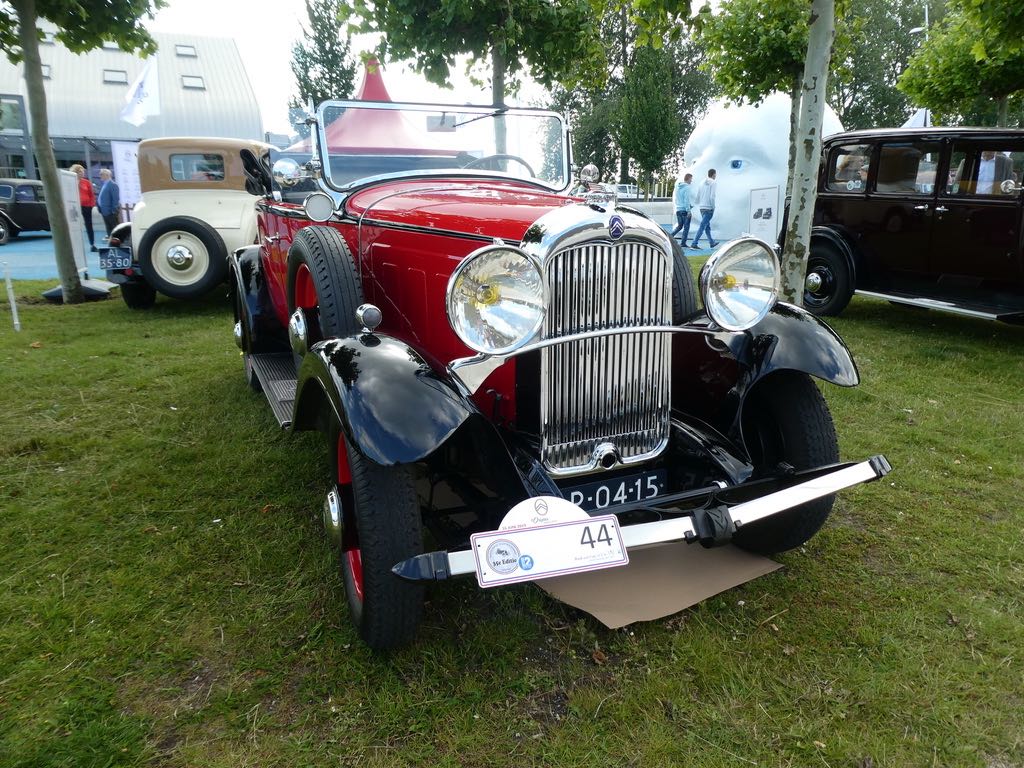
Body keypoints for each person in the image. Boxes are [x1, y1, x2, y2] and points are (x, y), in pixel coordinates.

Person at [69, 164, 97, 251]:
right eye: (81, 172)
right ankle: (74, 245)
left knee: (89, 225)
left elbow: (91, 195)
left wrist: (92, 205)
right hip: (74, 206)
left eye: (83, 171)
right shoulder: (70, 181)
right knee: (74, 225)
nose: (83, 173)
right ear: (76, 172)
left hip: (86, 206)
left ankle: (92, 244)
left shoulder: (86, 182)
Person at [691, 168, 718, 249]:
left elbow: (698, 196)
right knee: (703, 226)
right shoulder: (713, 182)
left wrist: (694, 205)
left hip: (702, 208)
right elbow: (712, 196)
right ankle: (694, 243)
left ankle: (711, 242)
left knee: (706, 226)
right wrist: (713, 207)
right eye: (715, 174)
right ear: (714, 174)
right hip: (709, 208)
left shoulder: (701, 182)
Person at [670, 172, 693, 246]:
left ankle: (670, 237)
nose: (691, 181)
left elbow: (678, 199)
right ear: (688, 179)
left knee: (680, 226)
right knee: (686, 227)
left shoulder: (678, 187)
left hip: (678, 209)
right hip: (684, 210)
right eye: (691, 179)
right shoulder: (687, 188)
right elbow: (686, 200)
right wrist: (688, 210)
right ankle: (683, 243)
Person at [97, 168, 120, 237]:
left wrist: (113, 211)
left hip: (110, 212)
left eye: (101, 174)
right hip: (104, 211)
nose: (100, 176)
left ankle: (117, 244)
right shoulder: (104, 185)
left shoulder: (113, 185)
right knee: (109, 230)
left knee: (115, 230)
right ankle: (112, 244)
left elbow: (115, 199)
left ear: (107, 175)